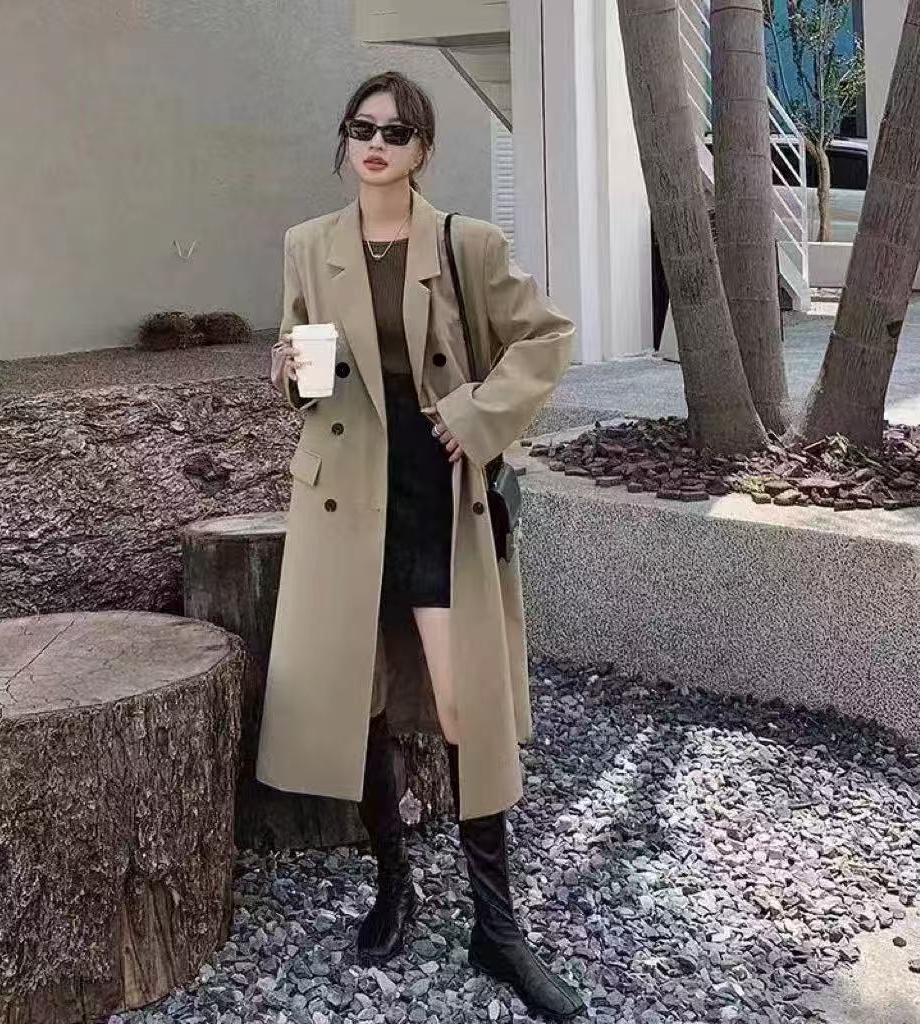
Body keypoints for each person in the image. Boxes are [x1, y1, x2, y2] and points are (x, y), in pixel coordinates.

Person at [256, 70, 583, 1020]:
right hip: (343, 495)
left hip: (434, 493)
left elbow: (544, 339)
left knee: (461, 702)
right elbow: (303, 367)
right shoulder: (307, 244)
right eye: (361, 128)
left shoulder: (466, 244)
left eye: (395, 133)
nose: (375, 144)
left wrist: (475, 415)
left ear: (423, 150)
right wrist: (290, 372)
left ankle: (496, 927)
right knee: (355, 695)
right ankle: (392, 886)